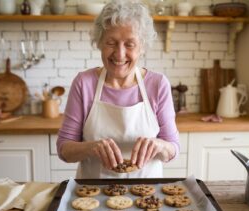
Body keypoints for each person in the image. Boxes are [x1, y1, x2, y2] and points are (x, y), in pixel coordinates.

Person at [56, 0, 179, 178]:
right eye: (111, 43)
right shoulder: (84, 83)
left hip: (147, 197)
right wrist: (91, 147)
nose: (119, 54)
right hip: (92, 196)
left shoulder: (158, 84)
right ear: (99, 43)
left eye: (130, 44)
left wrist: (160, 146)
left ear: (142, 47)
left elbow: (173, 148)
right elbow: (64, 149)